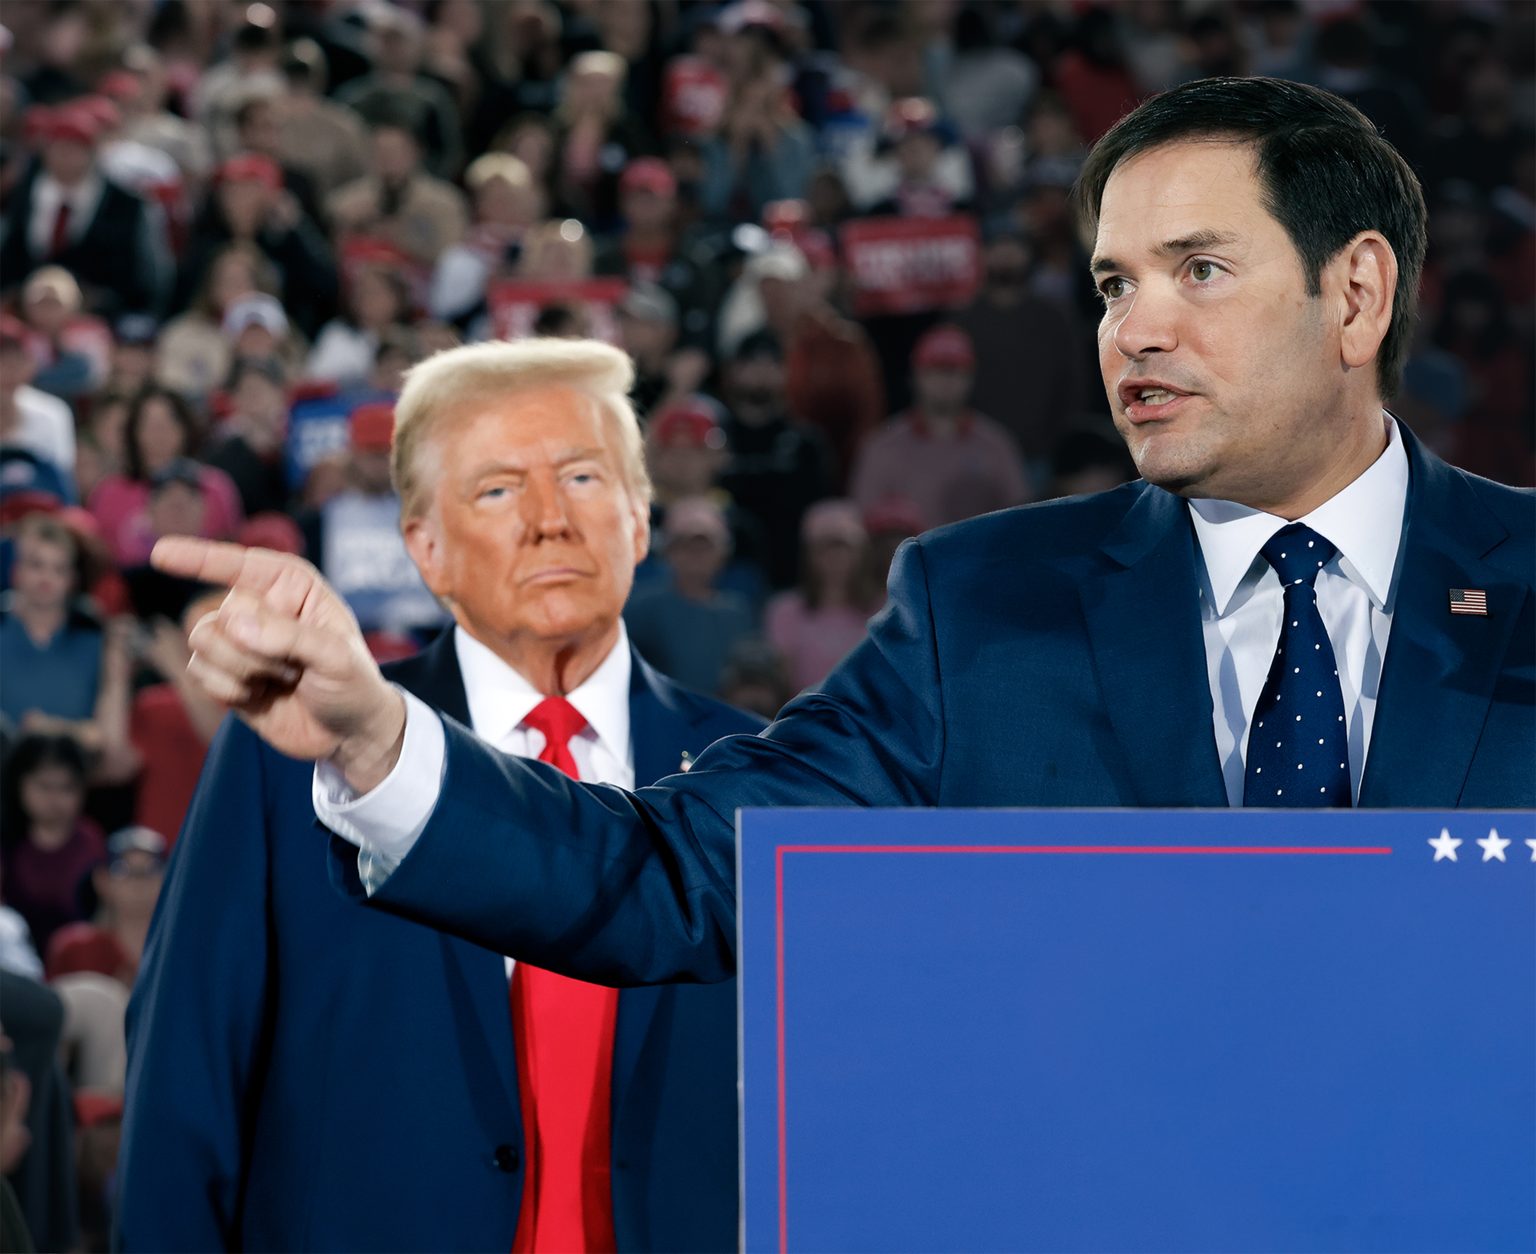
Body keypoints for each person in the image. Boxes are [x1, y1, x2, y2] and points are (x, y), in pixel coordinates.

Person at [155, 79, 1533, 994]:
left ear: (1355, 295)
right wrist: (377, 744)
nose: (1136, 328)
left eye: (1202, 271)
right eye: (1116, 282)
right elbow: (676, 875)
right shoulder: (985, 606)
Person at [120, 340, 762, 1251]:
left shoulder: (759, 775)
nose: (549, 520)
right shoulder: (287, 753)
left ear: (640, 517)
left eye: (581, 477)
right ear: (425, 548)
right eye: (497, 490)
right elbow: (188, 1077)